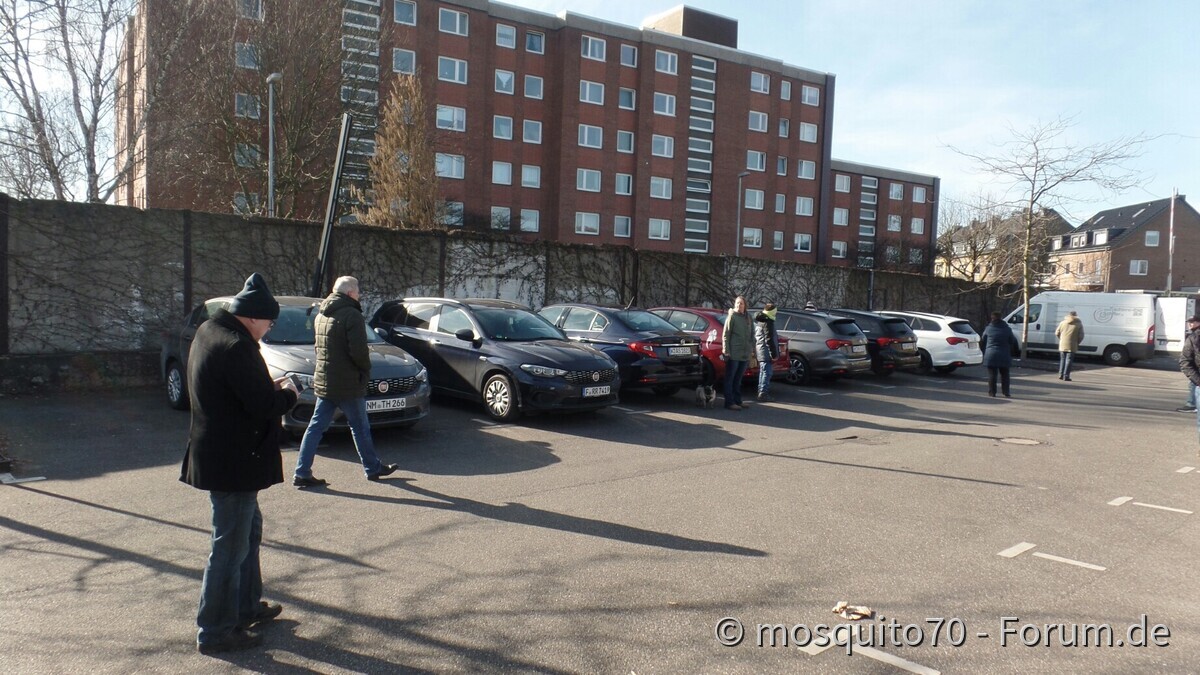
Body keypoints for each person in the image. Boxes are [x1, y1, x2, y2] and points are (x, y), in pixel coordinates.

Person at [181, 273, 299, 654]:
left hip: (224, 456)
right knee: (229, 547)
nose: (269, 329)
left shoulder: (209, 331)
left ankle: (246, 606)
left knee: (248, 533)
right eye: (269, 322)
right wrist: (289, 395)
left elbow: (237, 392)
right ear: (253, 317)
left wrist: (266, 388)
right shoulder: (236, 345)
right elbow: (263, 406)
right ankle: (215, 631)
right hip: (233, 461)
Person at [294, 276, 400, 487]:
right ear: (350, 293)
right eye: (358, 291)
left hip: (326, 381)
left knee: (315, 427)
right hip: (348, 383)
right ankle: (372, 468)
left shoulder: (321, 314)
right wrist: (365, 371)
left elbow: (319, 349)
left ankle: (302, 471)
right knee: (360, 427)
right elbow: (359, 352)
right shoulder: (352, 315)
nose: (359, 294)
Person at [722, 295, 753, 410]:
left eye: (741, 303)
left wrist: (752, 349)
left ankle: (738, 400)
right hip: (734, 353)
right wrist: (726, 350)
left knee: (738, 379)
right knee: (730, 378)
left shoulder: (748, 317)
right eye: (737, 303)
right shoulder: (732, 316)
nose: (739, 305)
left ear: (745, 305)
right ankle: (729, 402)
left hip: (744, 353)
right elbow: (726, 334)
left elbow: (752, 335)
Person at [979, 311, 1017, 398]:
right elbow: (1012, 341)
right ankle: (1006, 392)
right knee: (1005, 374)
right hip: (1004, 354)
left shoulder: (988, 328)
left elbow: (983, 340)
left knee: (992, 375)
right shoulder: (1007, 329)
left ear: (992, 318)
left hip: (991, 354)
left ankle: (992, 392)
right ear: (1001, 318)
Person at [754, 303, 781, 401]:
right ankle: (763, 393)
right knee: (767, 372)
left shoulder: (761, 320)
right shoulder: (767, 322)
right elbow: (769, 339)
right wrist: (773, 354)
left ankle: (761, 391)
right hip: (765, 351)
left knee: (763, 371)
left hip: (761, 350)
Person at [1180, 316, 1200, 441]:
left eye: (1192, 322)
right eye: (1189, 322)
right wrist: (1198, 381)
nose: (1190, 324)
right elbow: (1185, 362)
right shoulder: (1193, 339)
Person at [1055, 310, 1084, 381]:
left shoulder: (1062, 323)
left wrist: (1061, 339)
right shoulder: (1078, 324)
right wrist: (1077, 342)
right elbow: (1081, 336)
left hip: (1062, 344)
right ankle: (1066, 376)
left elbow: (1057, 333)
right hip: (1072, 344)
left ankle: (1060, 374)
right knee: (1069, 360)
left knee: (1062, 359)